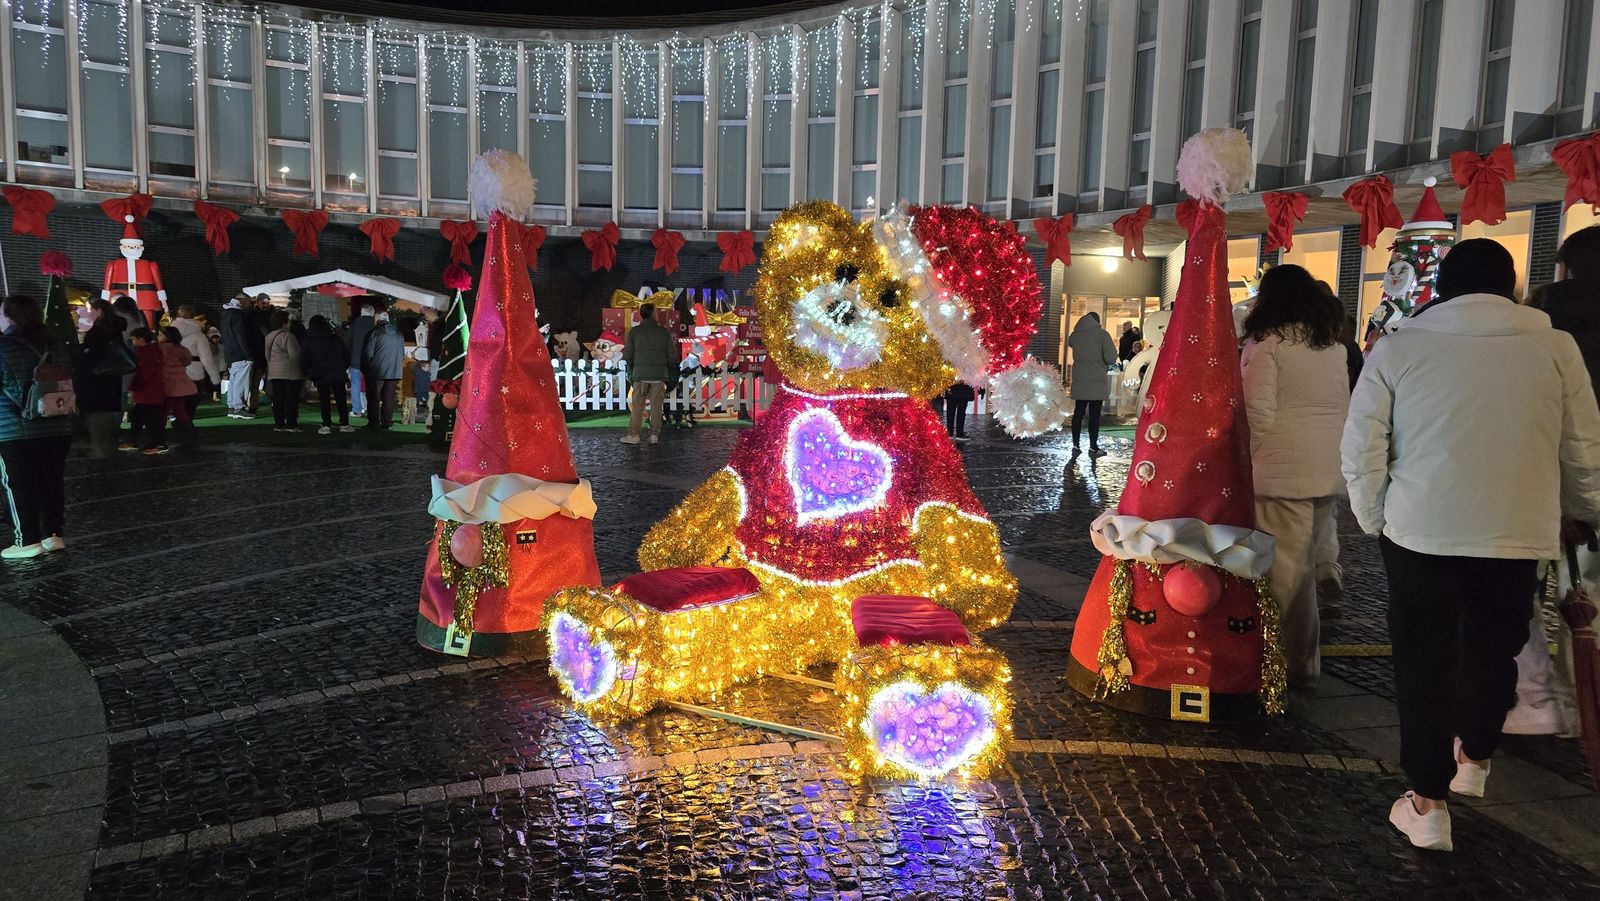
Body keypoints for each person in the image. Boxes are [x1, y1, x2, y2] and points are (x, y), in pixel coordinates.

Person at [1342, 239, 1600, 852]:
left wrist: (1375, 517)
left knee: (1423, 661)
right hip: (1516, 528)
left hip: (1419, 529)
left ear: (1442, 288)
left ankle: (1428, 803)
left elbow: (1361, 447)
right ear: (1510, 284)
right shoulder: (1554, 347)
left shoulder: (1402, 347)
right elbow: (1582, 447)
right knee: (1495, 645)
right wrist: (1582, 510)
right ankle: (1476, 757)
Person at [1239, 264, 1350, 689]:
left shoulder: (1267, 345)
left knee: (1282, 574)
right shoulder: (1332, 346)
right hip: (1324, 469)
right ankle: (1302, 662)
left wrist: (1245, 461)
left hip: (1280, 472)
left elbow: (1256, 414)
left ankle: (1272, 663)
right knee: (1302, 571)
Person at [1509, 224, 1600, 736]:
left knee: (1523, 589)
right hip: (1581, 479)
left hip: (1543, 476)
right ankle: (1586, 699)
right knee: (1590, 599)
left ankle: (1548, 701)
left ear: (1564, 268)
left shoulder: (1540, 326)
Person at [0, 295, 74, 559]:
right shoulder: (54, 345)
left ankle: (26, 540)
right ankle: (52, 534)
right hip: (58, 424)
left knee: (18, 484)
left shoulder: (4, 347)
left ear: (11, 316)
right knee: (51, 481)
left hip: (13, 429)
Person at [74, 306, 127, 460]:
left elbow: (88, 357)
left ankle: (101, 455)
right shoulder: (113, 329)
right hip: (110, 381)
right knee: (105, 419)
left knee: (98, 421)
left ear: (99, 311)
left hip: (96, 382)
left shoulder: (98, 332)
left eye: (91, 309)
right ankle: (106, 452)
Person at [621, 303, 676, 445]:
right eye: (656, 312)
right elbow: (671, 356)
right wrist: (669, 369)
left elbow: (627, 355)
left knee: (637, 406)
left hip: (640, 375)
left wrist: (634, 368)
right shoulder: (663, 332)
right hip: (659, 376)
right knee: (657, 407)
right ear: (652, 314)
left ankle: (634, 435)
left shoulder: (635, 332)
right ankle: (654, 435)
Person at [1067, 312, 1117, 456]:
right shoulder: (1102, 335)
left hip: (1080, 380)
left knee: (1078, 413)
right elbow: (1111, 358)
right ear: (1097, 321)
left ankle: (1075, 445)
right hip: (1096, 381)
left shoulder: (1076, 335)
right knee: (1094, 415)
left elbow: (1070, 343)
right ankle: (1093, 447)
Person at [299, 315, 352, 434]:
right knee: (341, 399)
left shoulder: (309, 340)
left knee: (324, 400)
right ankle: (344, 423)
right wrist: (343, 367)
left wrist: (307, 372)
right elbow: (346, 355)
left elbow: (304, 359)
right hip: (337, 371)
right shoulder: (335, 338)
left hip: (320, 373)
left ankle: (326, 424)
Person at [171, 306, 217, 424]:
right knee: (192, 399)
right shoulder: (198, 334)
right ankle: (186, 421)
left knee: (177, 398)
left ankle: (178, 418)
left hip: (173, 371)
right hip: (194, 371)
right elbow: (206, 358)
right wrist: (215, 377)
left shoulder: (169, 332)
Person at [126, 327, 167, 455]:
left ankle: (156, 443)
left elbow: (144, 373)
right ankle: (135, 440)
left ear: (141, 340)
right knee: (143, 417)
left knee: (147, 418)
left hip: (147, 392)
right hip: (152, 391)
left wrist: (133, 386)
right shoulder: (154, 351)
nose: (132, 342)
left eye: (134, 339)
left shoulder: (144, 353)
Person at [361, 309, 404, 430]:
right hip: (394, 370)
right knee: (389, 398)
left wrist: (365, 368)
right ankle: (387, 422)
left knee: (374, 397)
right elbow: (401, 354)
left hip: (376, 371)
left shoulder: (374, 333)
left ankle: (374, 422)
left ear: (377, 319)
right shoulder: (398, 333)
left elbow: (368, 353)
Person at [264, 310, 304, 432]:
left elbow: (267, 355)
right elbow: (295, 355)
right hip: (290, 372)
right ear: (284, 322)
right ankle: (291, 425)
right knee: (291, 399)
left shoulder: (269, 336)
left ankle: (279, 424)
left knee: (278, 399)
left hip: (275, 372)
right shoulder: (288, 336)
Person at [158, 326, 197, 446]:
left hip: (167, 385)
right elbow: (187, 361)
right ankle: (189, 432)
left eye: (160, 335)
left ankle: (159, 435)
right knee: (180, 410)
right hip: (181, 385)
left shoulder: (160, 350)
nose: (158, 337)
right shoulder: (182, 350)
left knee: (163, 411)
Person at [221, 295, 257, 419]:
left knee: (234, 380)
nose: (250, 304)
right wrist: (249, 354)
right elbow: (242, 336)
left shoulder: (226, 314)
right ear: (242, 301)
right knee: (242, 380)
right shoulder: (239, 316)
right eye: (249, 302)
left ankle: (231, 406)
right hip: (241, 353)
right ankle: (239, 407)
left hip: (230, 353)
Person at [345, 301, 376, 419]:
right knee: (371, 385)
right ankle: (371, 409)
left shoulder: (354, 326)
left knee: (355, 385)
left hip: (355, 360)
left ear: (362, 313)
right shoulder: (375, 327)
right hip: (371, 362)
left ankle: (357, 410)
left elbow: (347, 344)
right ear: (372, 314)